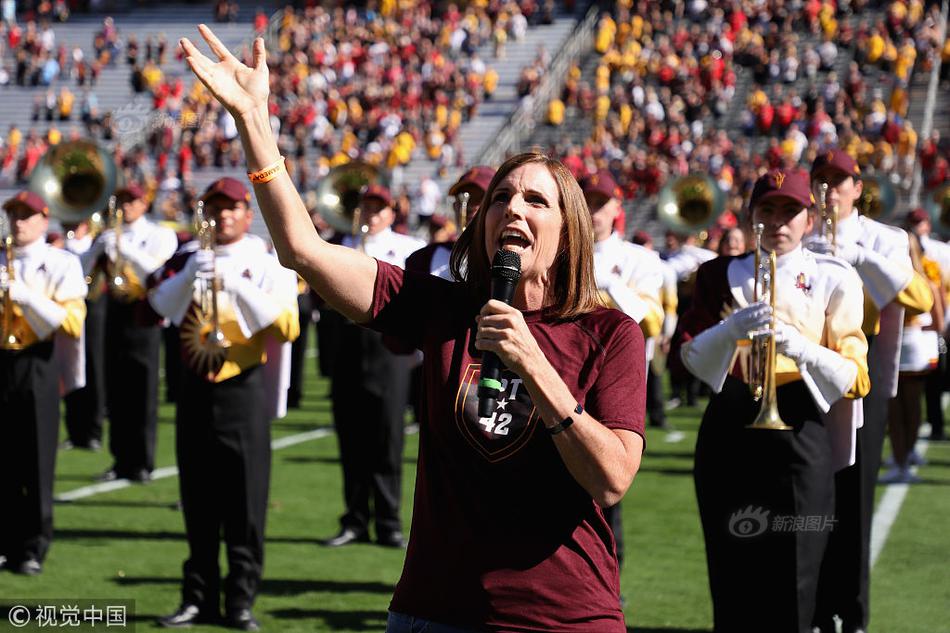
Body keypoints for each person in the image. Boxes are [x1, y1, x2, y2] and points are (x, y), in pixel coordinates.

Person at [179, 25, 645, 630]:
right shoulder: (440, 309)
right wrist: (253, 122)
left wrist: (533, 363)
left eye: (536, 201)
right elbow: (302, 250)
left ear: (569, 232)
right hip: (434, 611)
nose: (513, 209)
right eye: (501, 197)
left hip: (562, 616)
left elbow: (610, 480)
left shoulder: (610, 333)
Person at [671, 169, 870, 632]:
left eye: (790, 211)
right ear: (750, 216)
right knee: (730, 571)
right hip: (731, 421)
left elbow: (855, 378)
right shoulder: (717, 273)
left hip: (802, 427)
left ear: (810, 218)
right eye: (768, 210)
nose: (778, 221)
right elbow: (690, 362)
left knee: (799, 572)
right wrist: (729, 331)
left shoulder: (834, 276)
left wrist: (801, 348)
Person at [149, 176, 299, 631]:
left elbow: (286, 326)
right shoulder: (186, 255)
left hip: (244, 388)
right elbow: (157, 304)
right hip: (195, 389)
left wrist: (234, 283)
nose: (222, 215)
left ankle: (240, 600)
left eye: (231, 207)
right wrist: (195, 271)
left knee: (245, 502)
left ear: (247, 214)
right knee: (197, 500)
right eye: (214, 208)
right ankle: (197, 598)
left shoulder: (267, 261)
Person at [806, 149, 933, 633]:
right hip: (810, 365)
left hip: (863, 367)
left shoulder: (886, 237)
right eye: (821, 180)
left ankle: (852, 612)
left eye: (840, 180)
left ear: (858, 188)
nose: (829, 189)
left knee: (856, 493)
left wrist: (858, 257)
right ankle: (814, 608)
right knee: (812, 492)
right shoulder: (800, 232)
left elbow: (918, 297)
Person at [322, 183, 425, 549]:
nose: (372, 214)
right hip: (347, 345)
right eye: (366, 206)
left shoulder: (409, 248)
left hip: (388, 347)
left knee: (387, 437)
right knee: (350, 436)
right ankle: (354, 518)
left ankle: (388, 520)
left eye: (380, 207)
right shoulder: (340, 245)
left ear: (392, 212)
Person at [581, 169, 663, 575]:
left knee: (609, 489)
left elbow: (648, 320)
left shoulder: (641, 260)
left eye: (600, 203)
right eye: (587, 202)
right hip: (564, 382)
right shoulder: (559, 253)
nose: (593, 211)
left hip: (617, 387)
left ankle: (608, 579)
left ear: (617, 208)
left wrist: (606, 284)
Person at [0, 190, 87, 575]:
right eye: (14, 214)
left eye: (27, 215)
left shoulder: (61, 262)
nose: (19, 221)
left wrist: (24, 296)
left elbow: (71, 322)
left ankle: (34, 545)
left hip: (38, 361)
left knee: (35, 458)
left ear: (43, 220)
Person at [82, 182, 177, 482]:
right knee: (117, 388)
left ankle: (142, 461)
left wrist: (125, 248)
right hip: (115, 310)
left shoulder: (160, 234)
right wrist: (97, 247)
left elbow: (158, 273)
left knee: (143, 390)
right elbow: (83, 275)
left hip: (144, 312)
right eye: (121, 201)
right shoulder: (109, 235)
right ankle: (120, 458)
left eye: (132, 201)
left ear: (144, 204)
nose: (125, 207)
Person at [881, 231, 944, 483]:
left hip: (911, 349)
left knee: (907, 407)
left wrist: (914, 326)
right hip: (896, 347)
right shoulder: (886, 277)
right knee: (899, 408)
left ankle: (904, 459)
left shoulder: (926, 280)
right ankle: (901, 460)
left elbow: (938, 321)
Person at [905, 207, 950, 441]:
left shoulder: (938, 253)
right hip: (913, 333)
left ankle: (933, 427)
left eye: (921, 223)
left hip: (928, 329)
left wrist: (942, 325)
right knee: (907, 394)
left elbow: (940, 292)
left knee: (928, 387)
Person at [61, 219, 106, 450]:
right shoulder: (63, 246)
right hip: (68, 309)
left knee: (93, 367)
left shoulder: (97, 243)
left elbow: (84, 268)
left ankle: (93, 430)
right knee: (70, 364)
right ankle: (74, 430)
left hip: (94, 305)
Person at [405, 165, 494, 279]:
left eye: (481, 198)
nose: (469, 206)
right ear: (454, 206)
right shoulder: (423, 259)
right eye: (462, 199)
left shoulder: (510, 262)